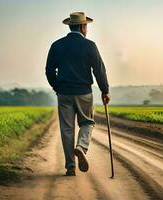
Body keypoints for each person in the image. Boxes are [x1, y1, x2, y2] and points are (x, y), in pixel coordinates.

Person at [45, 12, 110, 176]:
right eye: (86, 26)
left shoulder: (57, 45)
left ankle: (70, 166)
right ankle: (80, 147)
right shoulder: (90, 45)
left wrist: (57, 87)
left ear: (70, 26)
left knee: (67, 130)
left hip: (64, 93)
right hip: (84, 93)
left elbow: (49, 71)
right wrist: (105, 90)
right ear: (82, 26)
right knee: (87, 123)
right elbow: (99, 70)